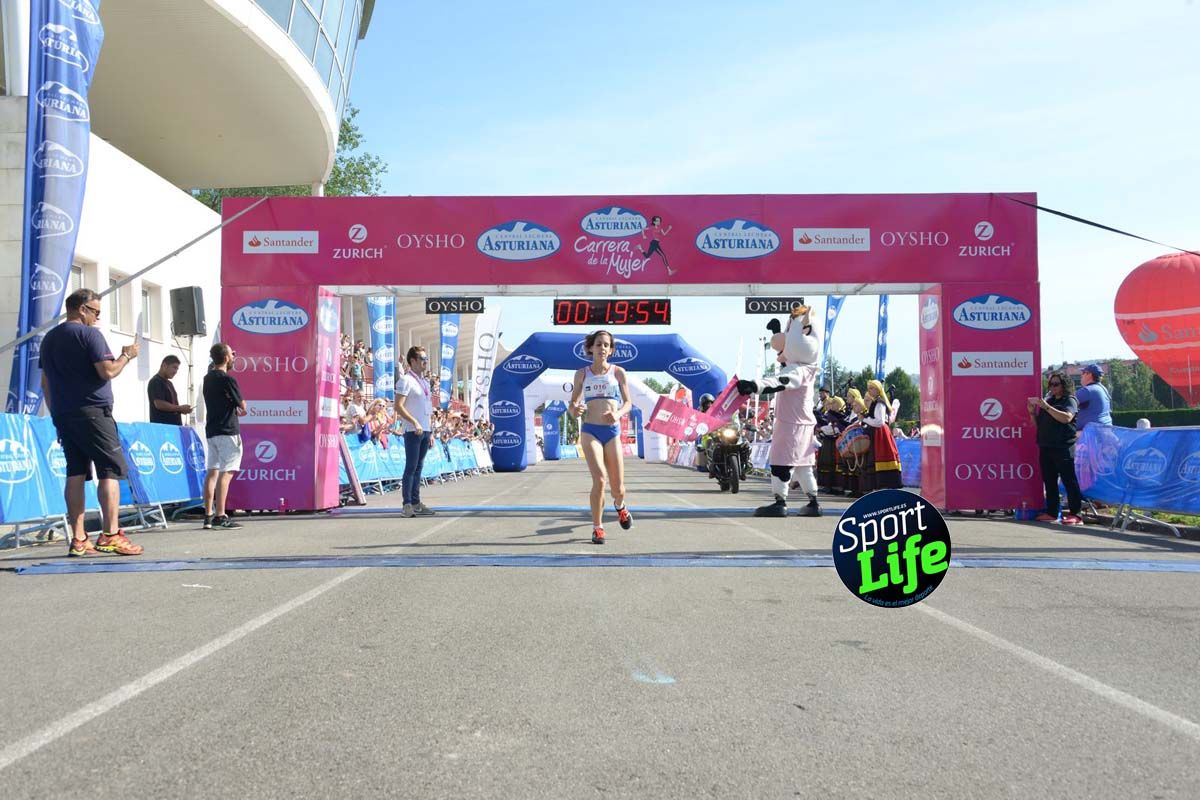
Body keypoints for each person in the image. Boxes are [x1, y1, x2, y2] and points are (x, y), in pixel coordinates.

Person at [39, 288, 143, 556]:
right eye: (96, 312)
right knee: (110, 469)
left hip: (64, 413)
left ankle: (79, 538)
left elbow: (45, 382)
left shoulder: (49, 338)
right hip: (93, 411)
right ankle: (110, 534)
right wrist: (127, 356)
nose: (97, 318)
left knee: (76, 472)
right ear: (82, 309)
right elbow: (108, 371)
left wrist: (55, 414)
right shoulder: (89, 334)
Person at [736, 306, 822, 518]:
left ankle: (780, 501)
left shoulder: (798, 369)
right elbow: (784, 364)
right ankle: (813, 501)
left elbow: (781, 382)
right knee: (803, 464)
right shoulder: (807, 367)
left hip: (791, 423)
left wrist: (754, 385)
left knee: (781, 462)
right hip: (804, 423)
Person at [570, 330, 634, 544]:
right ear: (590, 348)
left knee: (618, 488)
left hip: (612, 432)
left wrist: (617, 413)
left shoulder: (618, 372)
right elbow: (573, 404)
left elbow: (628, 403)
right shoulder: (581, 373)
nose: (602, 348)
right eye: (598, 344)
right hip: (590, 430)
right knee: (599, 479)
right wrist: (574, 409)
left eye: (606, 345)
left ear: (611, 350)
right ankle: (598, 528)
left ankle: (620, 506)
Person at [1028, 370, 1083, 525]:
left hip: (1063, 446)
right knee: (1049, 480)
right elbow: (1039, 425)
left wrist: (1046, 407)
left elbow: (1066, 418)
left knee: (1068, 480)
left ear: (1064, 385)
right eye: (1050, 384)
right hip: (1046, 446)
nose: (1052, 387)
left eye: (1056, 384)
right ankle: (1052, 512)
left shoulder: (1070, 400)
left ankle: (1076, 514)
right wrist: (1032, 414)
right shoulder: (1049, 400)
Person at [202, 343, 246, 530]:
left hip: (212, 430)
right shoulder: (228, 379)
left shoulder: (207, 378)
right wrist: (241, 406)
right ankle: (221, 514)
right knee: (226, 473)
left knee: (212, 471)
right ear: (226, 357)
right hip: (228, 430)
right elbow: (242, 405)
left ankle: (208, 515)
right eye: (232, 353)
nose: (234, 356)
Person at [394, 346, 436, 518]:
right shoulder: (405, 380)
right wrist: (414, 421)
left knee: (419, 467)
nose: (425, 362)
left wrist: (431, 431)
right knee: (411, 467)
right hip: (413, 430)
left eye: (426, 359)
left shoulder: (425, 382)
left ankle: (417, 501)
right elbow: (398, 406)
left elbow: (428, 408)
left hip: (425, 429)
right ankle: (407, 504)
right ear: (413, 361)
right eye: (422, 359)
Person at [855, 380, 903, 491]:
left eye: (872, 388)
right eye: (869, 388)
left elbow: (880, 421)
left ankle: (885, 485)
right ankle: (879, 485)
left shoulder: (880, 403)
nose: (870, 390)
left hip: (880, 434)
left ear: (878, 389)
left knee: (881, 456)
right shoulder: (877, 402)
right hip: (878, 433)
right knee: (876, 458)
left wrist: (865, 419)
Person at [148, 354, 192, 425]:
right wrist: (180, 408)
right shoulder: (155, 381)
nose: (175, 371)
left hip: (174, 427)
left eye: (177, 369)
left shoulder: (169, 383)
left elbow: (172, 406)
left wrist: (182, 410)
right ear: (164, 365)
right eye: (174, 367)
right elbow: (159, 404)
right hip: (163, 429)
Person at [1075, 364, 1113, 431]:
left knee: (1064, 437)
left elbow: (1067, 402)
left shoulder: (1088, 390)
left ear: (1089, 374)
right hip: (1106, 431)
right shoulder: (1103, 389)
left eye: (1083, 373)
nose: (1081, 375)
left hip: (1093, 434)